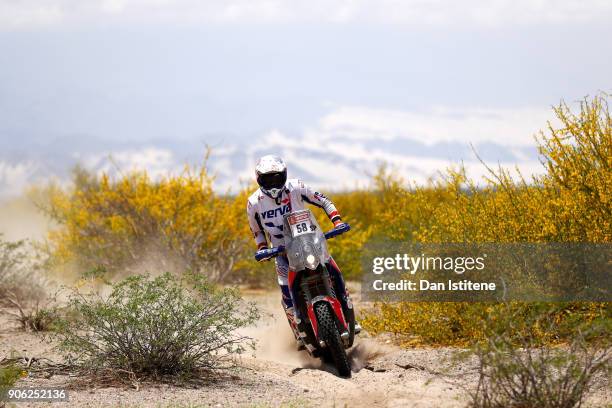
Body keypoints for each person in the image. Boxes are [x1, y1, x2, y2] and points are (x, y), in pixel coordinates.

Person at [246, 155, 358, 344]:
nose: (273, 183)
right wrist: (262, 247)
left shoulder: (296, 187)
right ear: (259, 179)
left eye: (277, 177)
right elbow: (256, 231)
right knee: (286, 290)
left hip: (310, 242)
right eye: (268, 178)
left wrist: (337, 221)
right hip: (281, 251)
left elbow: (323, 201)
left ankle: (347, 306)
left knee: (334, 271)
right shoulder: (254, 202)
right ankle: (299, 330)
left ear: (285, 175)